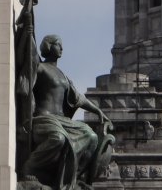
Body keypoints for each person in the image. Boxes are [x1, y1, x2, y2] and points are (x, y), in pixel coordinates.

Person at [21, 34, 113, 189]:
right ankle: (31, 166)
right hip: (43, 119)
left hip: (63, 120)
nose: (62, 48)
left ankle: (71, 176)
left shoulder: (63, 76)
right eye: (58, 44)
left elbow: (79, 98)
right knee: (58, 138)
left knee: (91, 137)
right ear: (48, 46)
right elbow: (27, 83)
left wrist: (98, 111)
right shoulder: (39, 67)